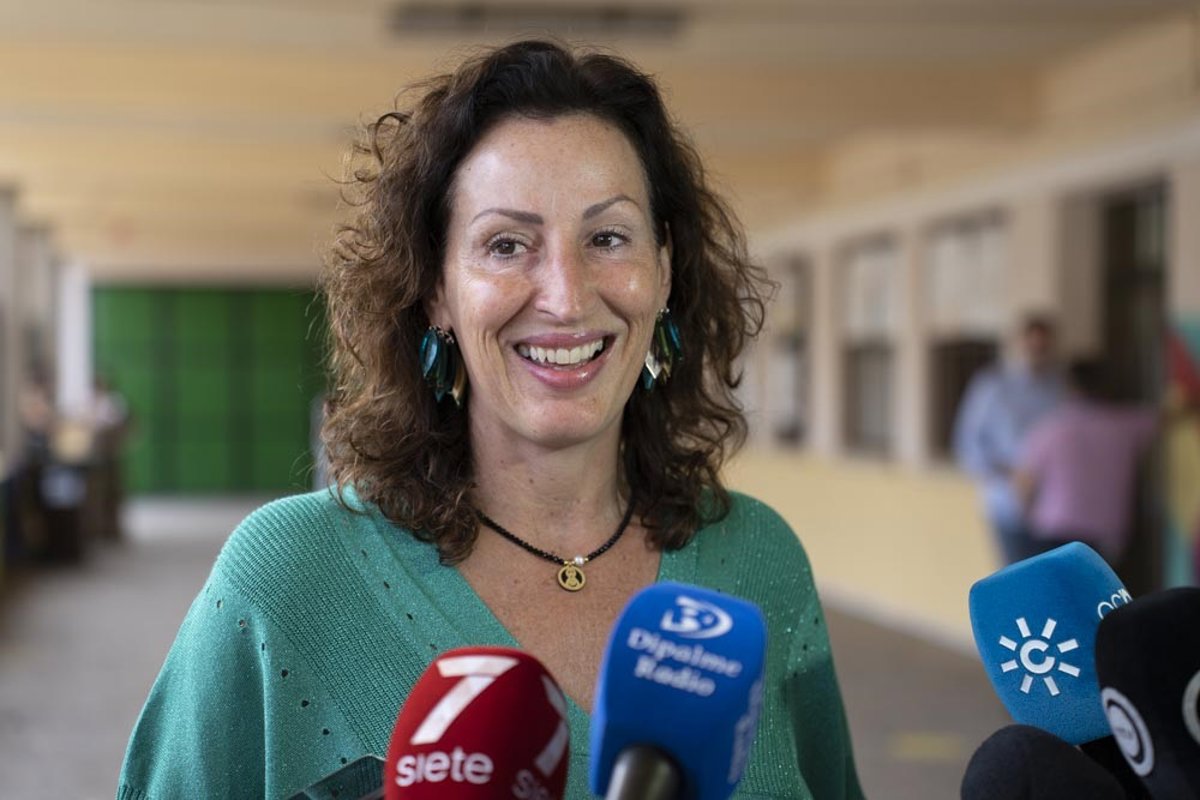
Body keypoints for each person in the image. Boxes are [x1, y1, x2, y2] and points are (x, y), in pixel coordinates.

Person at [117, 41, 863, 799]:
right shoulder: (289, 578)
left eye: (607, 238)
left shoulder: (760, 563)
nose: (566, 298)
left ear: (664, 269)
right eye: (506, 245)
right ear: (436, 289)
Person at [1013, 359, 1159, 566]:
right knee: (1099, 586)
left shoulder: (1049, 428)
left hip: (1054, 528)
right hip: (1106, 533)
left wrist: (1028, 517)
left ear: (1068, 387)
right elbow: (1167, 415)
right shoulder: (1127, 425)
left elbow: (1025, 484)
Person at [953, 315, 1064, 565]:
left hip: (1056, 509)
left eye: (1043, 347)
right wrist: (1012, 475)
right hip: (1009, 506)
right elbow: (969, 446)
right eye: (1032, 345)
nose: (1037, 352)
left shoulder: (1060, 387)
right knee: (1018, 576)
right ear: (1019, 343)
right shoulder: (993, 386)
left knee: (1052, 578)